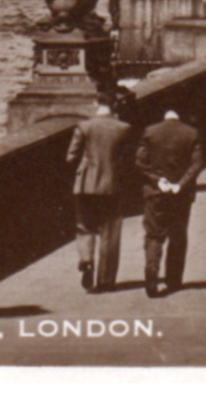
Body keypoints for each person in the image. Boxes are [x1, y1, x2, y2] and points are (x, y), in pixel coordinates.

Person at [66, 93, 133, 293]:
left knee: (84, 226)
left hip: (86, 184)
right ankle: (106, 280)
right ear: (114, 107)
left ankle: (86, 260)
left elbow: (70, 157)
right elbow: (129, 159)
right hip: (112, 185)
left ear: (96, 104)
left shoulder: (84, 127)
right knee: (110, 232)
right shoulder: (124, 128)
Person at [136, 108, 203, 297]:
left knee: (154, 234)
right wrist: (180, 184)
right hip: (180, 195)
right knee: (178, 235)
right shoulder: (191, 133)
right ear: (178, 116)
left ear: (164, 115)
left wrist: (159, 181)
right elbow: (196, 164)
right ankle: (173, 280)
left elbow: (140, 162)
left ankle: (152, 270)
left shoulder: (150, 132)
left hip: (155, 193)